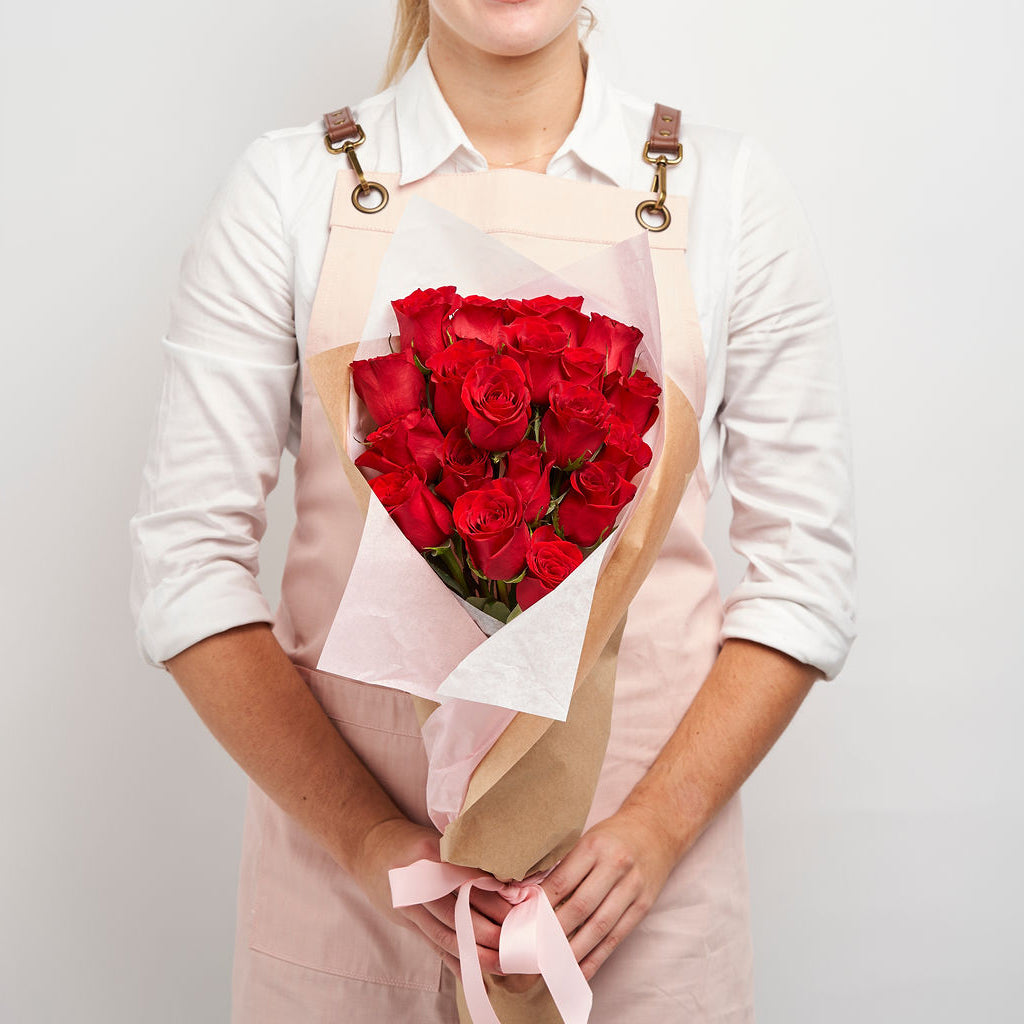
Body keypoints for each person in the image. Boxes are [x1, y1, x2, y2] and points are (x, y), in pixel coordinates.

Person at [129, 1, 857, 1020]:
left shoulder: (726, 191)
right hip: (351, 910)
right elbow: (186, 570)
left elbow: (806, 577)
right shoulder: (286, 189)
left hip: (635, 915)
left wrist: (655, 832)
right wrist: (368, 840)